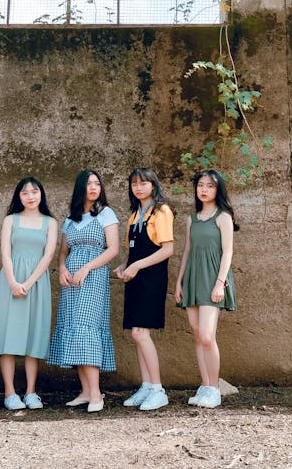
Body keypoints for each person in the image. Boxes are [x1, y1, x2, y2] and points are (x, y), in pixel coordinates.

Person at [47, 169, 120, 413]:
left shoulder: (106, 214)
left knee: (86, 329)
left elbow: (113, 249)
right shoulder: (71, 218)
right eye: (88, 184)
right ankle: (86, 392)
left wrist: (87, 268)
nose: (93, 187)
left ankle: (97, 394)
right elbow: (63, 252)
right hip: (71, 282)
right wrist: (61, 269)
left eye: (97, 184)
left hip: (93, 277)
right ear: (80, 188)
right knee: (74, 328)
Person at [174, 169, 237, 409]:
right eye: (200, 185)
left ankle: (214, 388)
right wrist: (179, 281)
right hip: (192, 278)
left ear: (217, 189)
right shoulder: (192, 218)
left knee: (208, 336)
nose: (204, 190)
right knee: (198, 335)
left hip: (213, 278)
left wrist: (220, 282)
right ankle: (204, 386)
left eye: (209, 186)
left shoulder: (223, 217)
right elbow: (187, 252)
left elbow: (228, 252)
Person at [0, 176, 58, 410]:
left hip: (37, 283)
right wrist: (13, 282)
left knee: (34, 336)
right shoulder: (10, 220)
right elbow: (5, 253)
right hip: (10, 282)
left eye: (34, 192)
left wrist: (28, 283)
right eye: (25, 193)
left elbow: (48, 256)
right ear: (18, 196)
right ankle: (10, 393)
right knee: (9, 335)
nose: (30, 196)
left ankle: (31, 392)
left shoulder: (50, 222)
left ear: (41, 194)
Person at [115, 167, 174, 411]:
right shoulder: (134, 214)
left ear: (153, 185)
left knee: (141, 333)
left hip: (152, 278)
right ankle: (147, 385)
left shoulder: (162, 211)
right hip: (135, 277)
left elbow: (167, 249)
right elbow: (133, 251)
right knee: (136, 335)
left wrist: (137, 266)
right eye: (134, 184)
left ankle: (158, 389)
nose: (139, 187)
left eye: (144, 183)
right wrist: (124, 266)